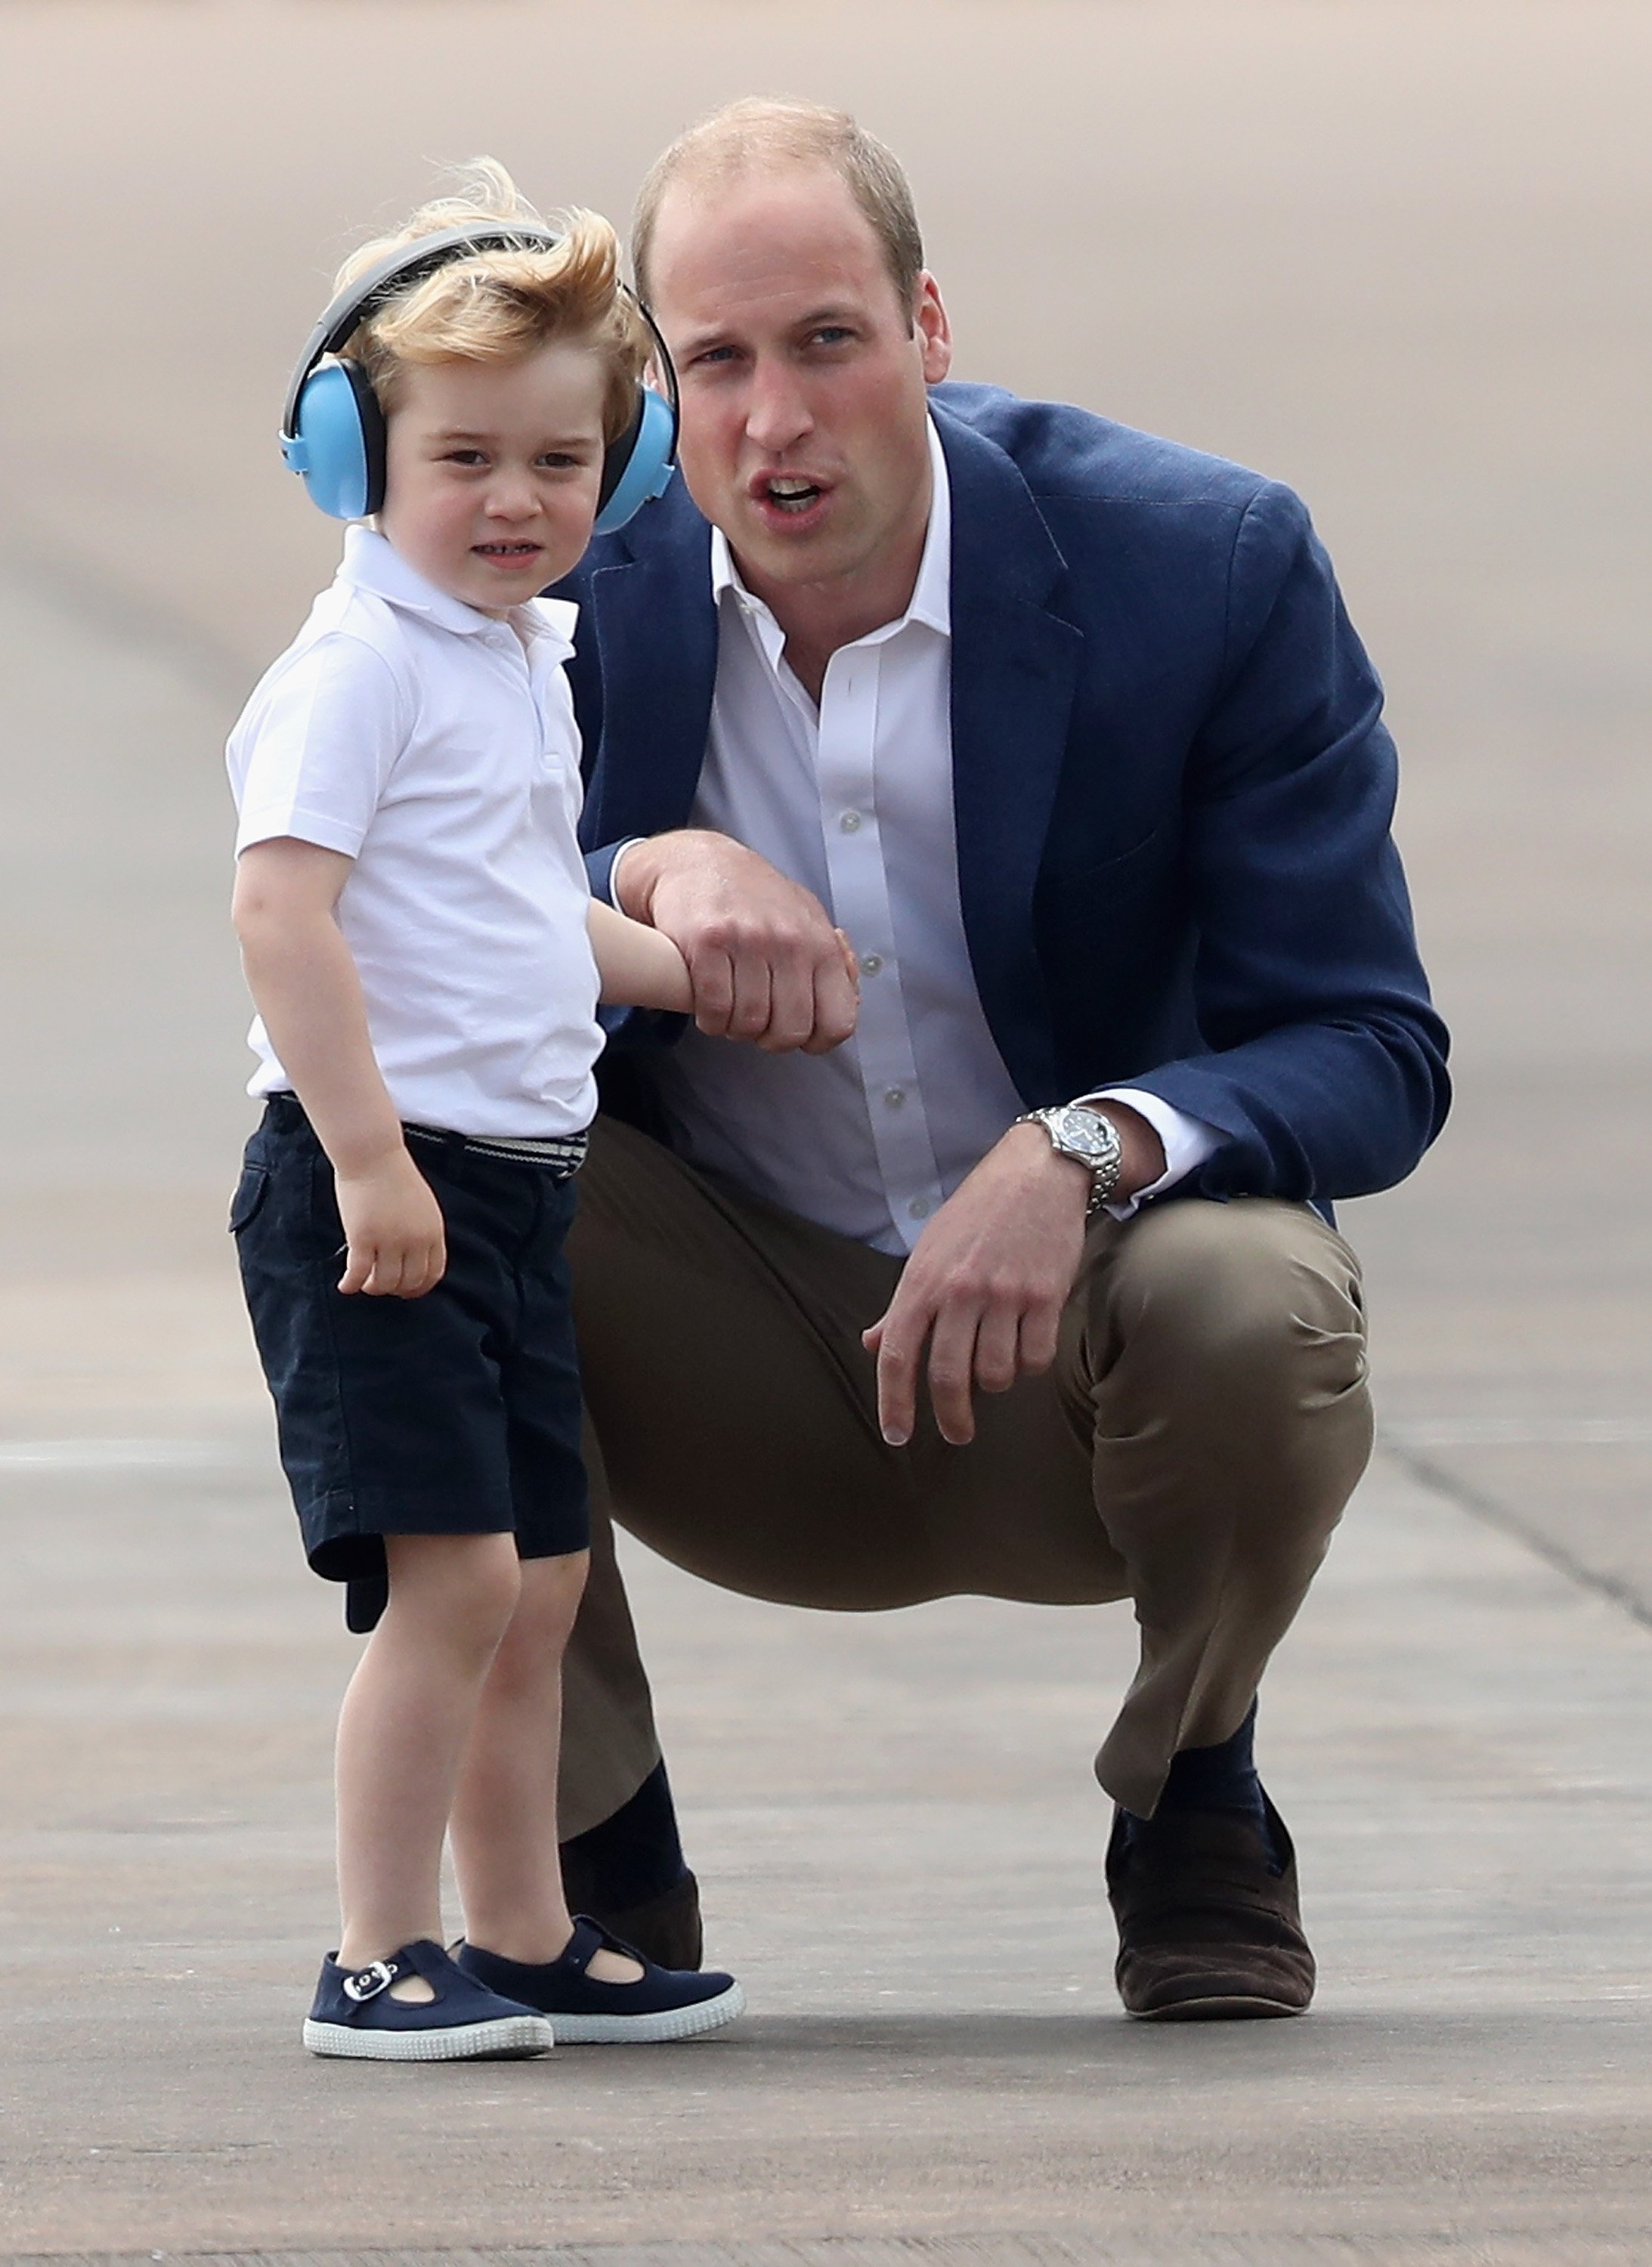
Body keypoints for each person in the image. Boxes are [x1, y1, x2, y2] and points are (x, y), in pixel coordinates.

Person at [548, 99, 1452, 2022]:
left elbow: (1373, 1044)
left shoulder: (1199, 565)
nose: (774, 419)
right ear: (655, 381)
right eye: (716, 360)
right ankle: (587, 1846)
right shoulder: (555, 579)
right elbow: (348, 913)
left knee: (1255, 1290)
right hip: (720, 1355)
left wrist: (1088, 1150)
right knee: (351, 1174)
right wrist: (635, 866)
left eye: (826, 342)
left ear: (928, 329)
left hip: (1080, 1364)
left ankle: (1192, 1795)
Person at [226, 161, 746, 2059]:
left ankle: (524, 1932)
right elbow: (281, 910)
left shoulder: (514, 659)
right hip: (382, 1186)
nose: (515, 501)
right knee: (444, 1587)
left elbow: (526, 921)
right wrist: (366, 1158)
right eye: (463, 459)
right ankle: (375, 1953)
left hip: (511, 1191)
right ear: (351, 452)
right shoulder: (357, 668)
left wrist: (716, 980)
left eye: (558, 462)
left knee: (535, 1586)